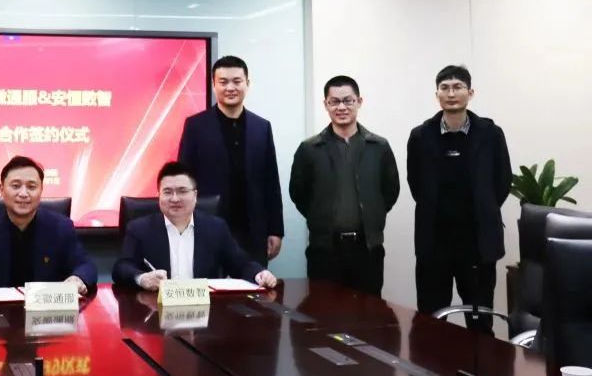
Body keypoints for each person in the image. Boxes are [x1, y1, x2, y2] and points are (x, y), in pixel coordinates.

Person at [407, 65, 511, 334]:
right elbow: (416, 185)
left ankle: (479, 363)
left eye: (457, 87)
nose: (451, 93)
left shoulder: (491, 134)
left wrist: (483, 208)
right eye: (445, 88)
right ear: (437, 95)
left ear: (470, 93)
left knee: (480, 324)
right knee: (430, 323)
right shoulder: (420, 136)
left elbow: (502, 182)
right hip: (434, 243)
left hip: (478, 243)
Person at [289, 75, 400, 296]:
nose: (341, 107)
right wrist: (320, 217)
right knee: (324, 311)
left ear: (359, 101)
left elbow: (390, 191)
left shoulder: (378, 147)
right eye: (334, 101)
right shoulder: (310, 149)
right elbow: (299, 194)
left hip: (367, 249)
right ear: (326, 104)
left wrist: (373, 214)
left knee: (369, 312)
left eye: (348, 100)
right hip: (325, 250)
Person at [178, 55, 284, 266]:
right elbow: (183, 179)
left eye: (237, 81)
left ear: (247, 84)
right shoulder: (196, 126)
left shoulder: (261, 127)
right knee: (210, 284)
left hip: (253, 230)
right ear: (214, 85)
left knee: (253, 283)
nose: (230, 88)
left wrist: (275, 230)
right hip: (208, 227)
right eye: (223, 82)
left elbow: (271, 182)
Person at [0, 156, 97, 295]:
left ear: (41, 190)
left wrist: (78, 278)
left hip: (45, 314)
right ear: (2, 189)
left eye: (31, 187)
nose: (23, 194)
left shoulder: (60, 227)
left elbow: (86, 265)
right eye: (15, 186)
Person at [113, 162, 278, 290]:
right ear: (159, 195)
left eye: (182, 191)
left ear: (195, 195)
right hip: (156, 310)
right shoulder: (139, 229)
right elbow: (122, 267)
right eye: (168, 192)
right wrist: (142, 278)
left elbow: (241, 264)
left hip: (205, 312)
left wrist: (260, 274)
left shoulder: (215, 228)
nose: (175, 198)